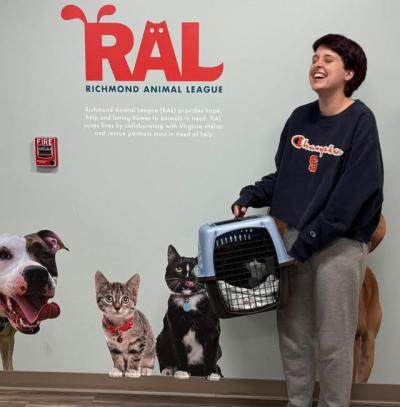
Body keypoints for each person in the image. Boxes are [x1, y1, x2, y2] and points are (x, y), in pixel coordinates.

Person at [232, 34, 384, 407]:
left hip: (339, 244)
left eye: (329, 59)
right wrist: (253, 194)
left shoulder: (360, 121)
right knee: (294, 335)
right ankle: (297, 402)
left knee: (334, 341)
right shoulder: (300, 119)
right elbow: (286, 177)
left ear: (349, 72)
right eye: (315, 57)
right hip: (296, 242)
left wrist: (312, 237)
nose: (318, 64)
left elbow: (356, 193)